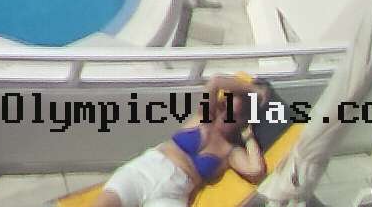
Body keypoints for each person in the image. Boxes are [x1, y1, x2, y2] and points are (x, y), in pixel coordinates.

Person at [95, 76, 268, 207]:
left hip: (173, 194)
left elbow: (256, 171)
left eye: (232, 114)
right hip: (146, 171)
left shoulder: (230, 152)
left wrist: (248, 136)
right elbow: (215, 81)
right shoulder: (203, 118)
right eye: (224, 107)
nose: (224, 115)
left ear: (242, 120)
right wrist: (252, 89)